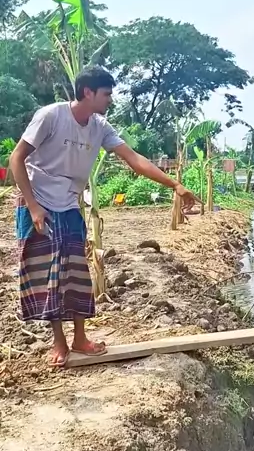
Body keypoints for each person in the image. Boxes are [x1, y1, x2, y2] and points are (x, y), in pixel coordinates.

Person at [10, 66, 198, 368]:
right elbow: (16, 158)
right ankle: (59, 342)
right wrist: (33, 206)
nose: (111, 99)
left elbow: (134, 160)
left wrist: (175, 185)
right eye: (107, 94)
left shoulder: (100, 126)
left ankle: (80, 338)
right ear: (88, 92)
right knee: (48, 274)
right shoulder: (51, 116)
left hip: (68, 204)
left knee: (75, 272)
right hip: (38, 202)